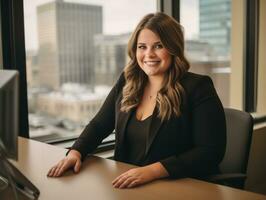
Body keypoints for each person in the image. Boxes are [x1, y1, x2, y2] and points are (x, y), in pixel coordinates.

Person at [47, 12, 226, 189]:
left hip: (179, 186)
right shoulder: (128, 81)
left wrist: (152, 171)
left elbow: (210, 152)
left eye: (158, 46)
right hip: (130, 185)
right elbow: (100, 124)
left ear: (173, 48)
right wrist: (75, 152)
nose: (149, 54)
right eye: (142, 47)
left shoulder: (198, 87)